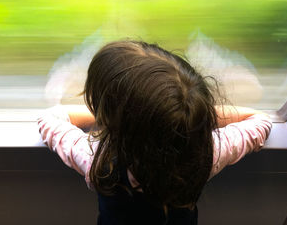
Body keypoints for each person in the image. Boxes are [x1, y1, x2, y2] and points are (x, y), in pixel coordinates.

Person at [37, 41, 272, 225]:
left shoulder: (98, 160)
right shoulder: (207, 154)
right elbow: (260, 120)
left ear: (115, 121)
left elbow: (49, 119)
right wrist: (190, 113)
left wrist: (108, 116)